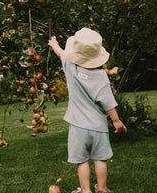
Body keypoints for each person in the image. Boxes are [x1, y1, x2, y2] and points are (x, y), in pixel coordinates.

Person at [48, 28, 127, 193]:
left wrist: (54, 45)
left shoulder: (70, 68)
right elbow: (108, 103)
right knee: (100, 159)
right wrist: (116, 121)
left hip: (78, 126)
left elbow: (62, 54)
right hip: (98, 127)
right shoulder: (101, 77)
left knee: (82, 161)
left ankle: (85, 191)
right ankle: (102, 189)